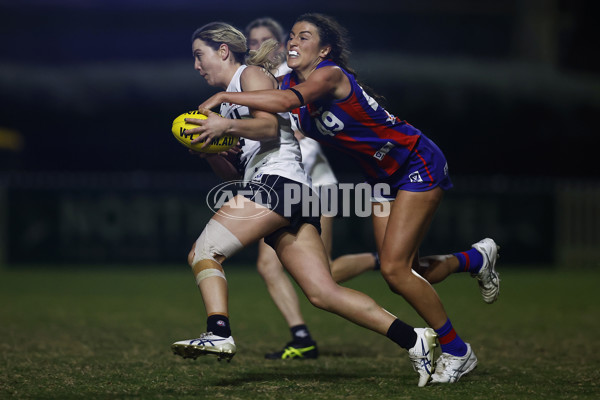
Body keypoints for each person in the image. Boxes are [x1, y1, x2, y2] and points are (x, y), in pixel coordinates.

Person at [195, 14, 500, 384]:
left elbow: (284, 102)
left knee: (394, 270)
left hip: (415, 160)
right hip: (380, 176)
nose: (292, 41)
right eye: (291, 35)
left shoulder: (329, 74)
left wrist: (225, 96)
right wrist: (215, 145)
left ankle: (457, 351)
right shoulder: (286, 83)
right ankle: (474, 258)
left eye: (303, 37)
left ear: (323, 49)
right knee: (408, 270)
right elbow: (269, 110)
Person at [244, 16, 380, 360]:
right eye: (252, 41)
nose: (258, 46)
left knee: (319, 277)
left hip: (314, 183)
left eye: (266, 40)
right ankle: (301, 334)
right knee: (313, 275)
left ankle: (388, 262)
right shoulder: (264, 80)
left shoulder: (293, 79)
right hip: (296, 183)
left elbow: (297, 128)